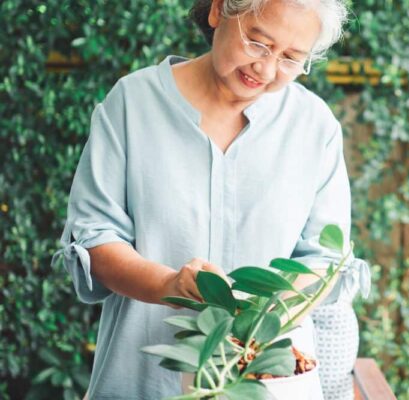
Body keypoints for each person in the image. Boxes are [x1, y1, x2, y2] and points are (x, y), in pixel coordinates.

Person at [54, 0, 369, 398]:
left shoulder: (315, 126)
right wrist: (170, 284)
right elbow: (95, 240)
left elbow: (324, 262)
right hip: (143, 380)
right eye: (258, 43)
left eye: (292, 58)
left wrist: (251, 311)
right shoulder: (133, 104)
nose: (267, 69)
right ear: (220, 11)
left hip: (268, 384)